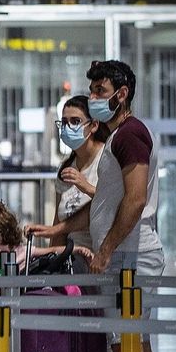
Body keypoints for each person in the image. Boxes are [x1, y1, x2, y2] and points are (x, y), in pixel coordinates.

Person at [25, 60, 165, 352]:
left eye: (101, 90)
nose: (95, 97)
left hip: (129, 256)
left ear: (121, 94)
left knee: (129, 350)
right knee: (137, 348)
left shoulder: (130, 136)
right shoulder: (119, 137)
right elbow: (103, 206)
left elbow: (134, 200)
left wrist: (105, 251)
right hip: (127, 253)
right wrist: (58, 231)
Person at [50, 95, 109, 257]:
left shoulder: (107, 158)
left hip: (102, 255)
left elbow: (115, 203)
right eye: (64, 122)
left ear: (94, 125)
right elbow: (58, 225)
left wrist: (86, 186)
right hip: (72, 258)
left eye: (75, 121)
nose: (68, 127)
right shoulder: (66, 167)